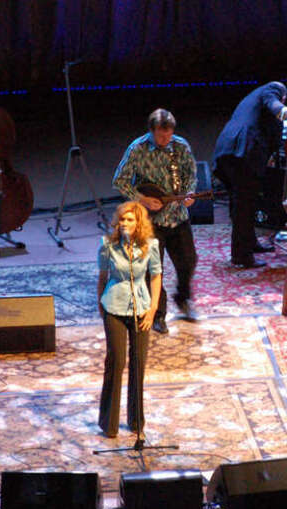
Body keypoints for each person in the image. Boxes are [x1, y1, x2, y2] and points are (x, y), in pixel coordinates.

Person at [113, 108, 198, 334]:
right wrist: (142, 199)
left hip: (177, 217)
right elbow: (119, 181)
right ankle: (158, 315)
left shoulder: (180, 147)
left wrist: (189, 194)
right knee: (154, 270)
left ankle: (183, 298)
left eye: (168, 135)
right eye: (161, 136)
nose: (165, 140)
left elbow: (191, 174)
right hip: (151, 221)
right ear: (151, 131)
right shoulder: (137, 149)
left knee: (188, 261)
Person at [211, 81, 287, 268]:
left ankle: (250, 244)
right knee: (245, 206)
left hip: (228, 151)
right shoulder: (272, 89)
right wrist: (284, 112)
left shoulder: (250, 100)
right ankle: (242, 257)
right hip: (243, 152)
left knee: (241, 203)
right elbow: (273, 103)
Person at [97, 201, 161, 439]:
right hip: (113, 305)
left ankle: (136, 422)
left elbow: (155, 276)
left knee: (138, 364)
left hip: (141, 308)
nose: (124, 223)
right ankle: (109, 424)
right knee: (116, 361)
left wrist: (152, 309)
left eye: (130, 220)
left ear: (139, 223)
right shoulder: (108, 246)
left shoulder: (151, 246)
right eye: (122, 219)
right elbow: (102, 277)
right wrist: (100, 304)